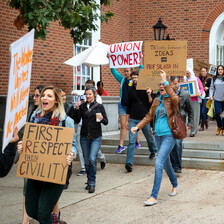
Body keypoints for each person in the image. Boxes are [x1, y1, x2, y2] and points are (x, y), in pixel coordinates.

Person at [17, 86, 76, 224]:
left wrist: (71, 154)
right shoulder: (34, 117)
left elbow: (72, 145)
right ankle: (53, 221)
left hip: (55, 173)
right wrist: (22, 147)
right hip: (35, 170)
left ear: (56, 100)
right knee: (31, 210)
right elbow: (28, 140)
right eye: (43, 95)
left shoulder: (65, 121)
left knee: (43, 213)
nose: (44, 98)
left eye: (49, 96)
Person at [131, 70, 179, 206]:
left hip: (169, 136)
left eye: (164, 84)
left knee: (158, 162)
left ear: (167, 85)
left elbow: (175, 98)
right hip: (157, 136)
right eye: (159, 85)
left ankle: (153, 196)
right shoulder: (157, 100)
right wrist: (137, 127)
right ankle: (175, 184)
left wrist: (165, 80)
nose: (161, 87)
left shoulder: (172, 99)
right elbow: (149, 116)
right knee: (165, 163)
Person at [73, 85, 108, 193]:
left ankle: (92, 182)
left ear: (94, 95)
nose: (87, 96)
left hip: (96, 137)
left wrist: (102, 119)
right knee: (87, 161)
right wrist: (77, 109)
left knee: (92, 159)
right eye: (86, 94)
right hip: (84, 137)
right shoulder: (82, 106)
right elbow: (77, 119)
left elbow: (106, 122)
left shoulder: (99, 107)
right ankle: (89, 180)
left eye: (90, 94)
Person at [125, 71, 157, 172]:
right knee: (131, 141)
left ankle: (153, 151)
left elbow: (151, 103)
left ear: (140, 78)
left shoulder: (145, 89)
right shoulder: (130, 90)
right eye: (133, 78)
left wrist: (149, 94)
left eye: (136, 77)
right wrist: (127, 120)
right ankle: (129, 163)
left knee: (149, 138)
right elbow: (128, 106)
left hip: (144, 119)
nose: (134, 79)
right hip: (133, 120)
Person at [110, 62, 142, 153]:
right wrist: (111, 60)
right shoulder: (122, 80)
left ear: (131, 71)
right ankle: (121, 145)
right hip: (123, 106)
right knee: (123, 125)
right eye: (125, 71)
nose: (126, 73)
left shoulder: (134, 80)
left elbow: (141, 71)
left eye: (127, 71)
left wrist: (141, 60)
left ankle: (136, 142)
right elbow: (113, 71)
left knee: (134, 125)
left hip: (133, 106)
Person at [170, 76, 194, 173]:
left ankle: (178, 166)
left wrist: (190, 123)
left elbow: (190, 110)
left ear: (179, 83)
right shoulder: (169, 94)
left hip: (181, 122)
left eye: (175, 83)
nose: (174, 86)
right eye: (172, 84)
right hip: (170, 123)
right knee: (171, 144)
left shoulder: (185, 94)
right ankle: (173, 165)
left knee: (178, 144)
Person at [184, 67, 204, 137]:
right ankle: (185, 130)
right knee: (185, 115)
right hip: (186, 100)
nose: (187, 75)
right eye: (186, 73)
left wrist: (200, 93)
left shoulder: (196, 79)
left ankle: (193, 132)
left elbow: (201, 88)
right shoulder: (184, 80)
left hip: (195, 100)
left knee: (195, 116)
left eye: (188, 73)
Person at [209, 65, 224, 135]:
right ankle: (219, 126)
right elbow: (211, 88)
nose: (220, 70)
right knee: (218, 113)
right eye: (219, 69)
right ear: (217, 71)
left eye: (221, 69)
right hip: (217, 99)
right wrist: (211, 96)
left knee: (223, 115)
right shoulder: (214, 79)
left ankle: (223, 128)